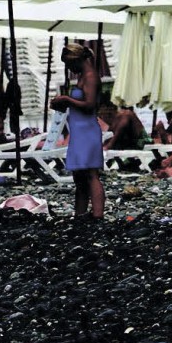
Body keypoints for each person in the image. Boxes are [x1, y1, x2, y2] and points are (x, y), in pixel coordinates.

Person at [50, 41, 104, 219]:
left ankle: (98, 215)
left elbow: (89, 104)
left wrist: (66, 99)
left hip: (88, 130)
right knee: (79, 176)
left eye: (68, 64)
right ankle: (80, 213)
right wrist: (63, 104)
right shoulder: (82, 76)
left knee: (91, 174)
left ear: (77, 60)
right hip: (79, 130)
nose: (68, 68)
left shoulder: (90, 76)